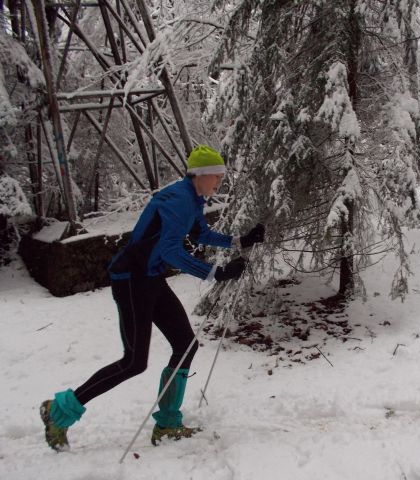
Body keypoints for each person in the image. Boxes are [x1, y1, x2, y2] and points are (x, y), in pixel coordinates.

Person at [40, 145, 265, 451]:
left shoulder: (193, 199)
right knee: (134, 362)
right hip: (131, 280)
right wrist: (217, 272)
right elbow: (172, 249)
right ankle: (59, 411)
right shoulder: (178, 200)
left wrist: (239, 240)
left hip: (151, 278)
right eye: (217, 176)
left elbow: (200, 234)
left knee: (186, 346)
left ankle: (167, 424)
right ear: (200, 175)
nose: (219, 183)